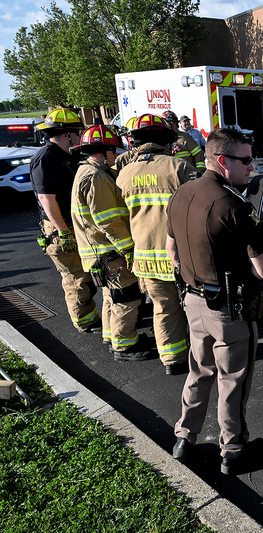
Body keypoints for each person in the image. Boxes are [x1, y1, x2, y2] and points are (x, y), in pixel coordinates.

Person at [168, 127, 263, 474]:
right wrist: (261, 236)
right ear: (223, 161)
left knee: (199, 372)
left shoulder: (182, 193)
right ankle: (234, 450)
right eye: (246, 160)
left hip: (193, 302)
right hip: (229, 309)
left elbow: (171, 249)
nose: (252, 167)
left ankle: (185, 439)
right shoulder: (234, 206)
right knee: (233, 381)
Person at [117, 114, 197, 374]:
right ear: (167, 140)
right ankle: (203, 355)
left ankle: (172, 361)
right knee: (194, 306)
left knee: (164, 309)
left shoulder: (124, 174)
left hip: (145, 258)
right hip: (180, 256)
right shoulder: (179, 168)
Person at [70, 125, 150, 360]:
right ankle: (125, 346)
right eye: (113, 151)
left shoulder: (86, 172)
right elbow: (108, 220)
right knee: (127, 297)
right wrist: (129, 249)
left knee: (110, 297)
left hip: (97, 251)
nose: (115, 157)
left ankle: (112, 335)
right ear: (104, 152)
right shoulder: (96, 177)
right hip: (109, 252)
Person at [30, 108, 100, 333]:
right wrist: (64, 232)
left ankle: (90, 316)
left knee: (86, 276)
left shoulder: (68, 156)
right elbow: (46, 198)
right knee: (76, 278)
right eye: (77, 133)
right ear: (65, 135)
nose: (80, 137)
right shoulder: (46, 159)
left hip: (73, 224)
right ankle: (85, 321)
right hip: (60, 227)